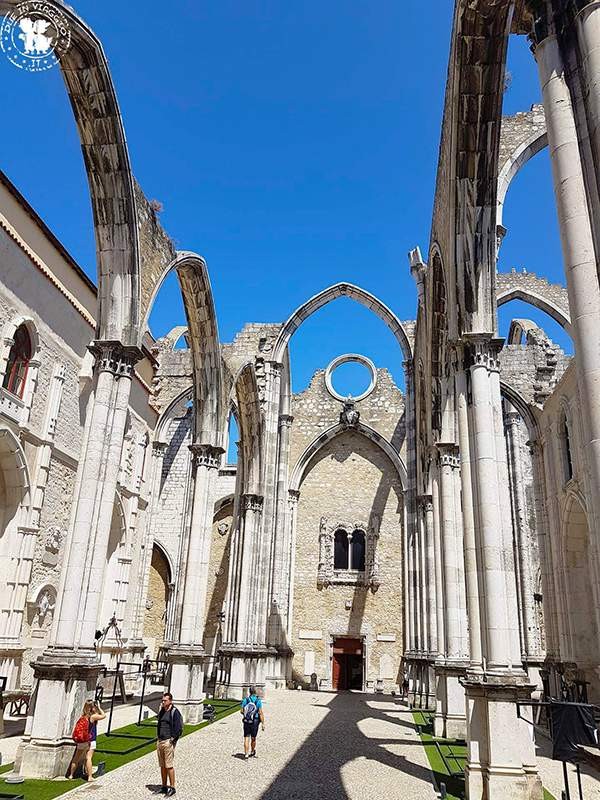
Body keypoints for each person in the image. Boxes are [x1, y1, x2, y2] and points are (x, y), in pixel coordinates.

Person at [156, 691, 183, 796]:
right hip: (160, 740)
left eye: (165, 700)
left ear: (170, 701)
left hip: (168, 741)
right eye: (162, 700)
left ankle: (172, 787)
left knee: (169, 766)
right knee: (162, 765)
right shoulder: (162, 710)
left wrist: (173, 739)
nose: (163, 702)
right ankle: (164, 786)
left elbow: (179, 727)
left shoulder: (175, 712)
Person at [67, 700, 95, 781]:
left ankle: (71, 775)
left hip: (81, 739)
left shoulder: (82, 717)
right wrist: (98, 708)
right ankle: (90, 776)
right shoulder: (92, 717)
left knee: (76, 758)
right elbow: (103, 715)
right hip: (88, 740)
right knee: (88, 758)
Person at [241, 686, 265, 760]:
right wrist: (263, 723)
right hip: (255, 720)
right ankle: (252, 751)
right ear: (255, 692)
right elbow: (260, 713)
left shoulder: (246, 700)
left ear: (249, 692)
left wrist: (246, 714)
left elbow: (241, 711)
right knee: (253, 738)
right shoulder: (258, 701)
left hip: (247, 720)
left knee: (246, 737)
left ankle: (246, 754)